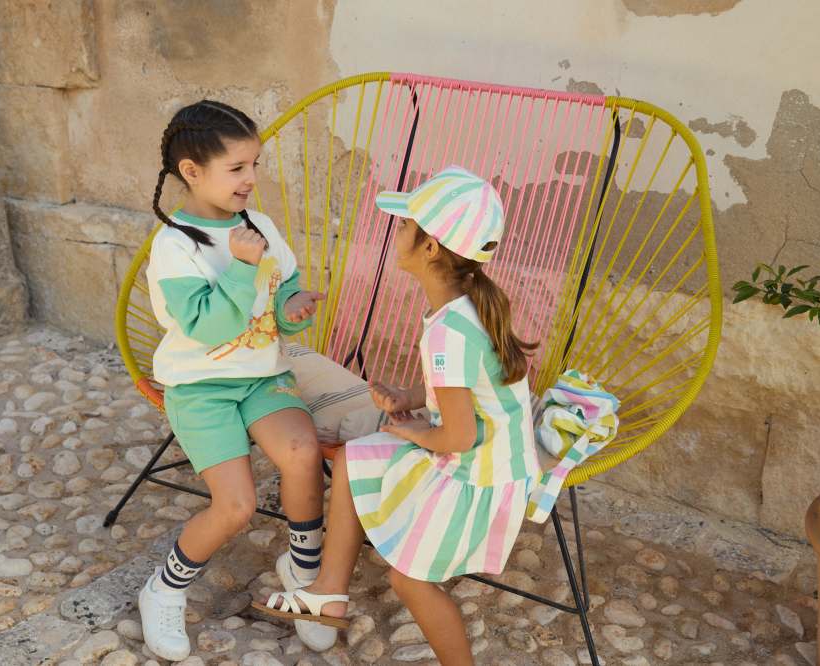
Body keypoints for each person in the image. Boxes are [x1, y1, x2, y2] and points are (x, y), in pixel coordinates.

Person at [256, 166, 540, 666]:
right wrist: (411, 398)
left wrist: (414, 430)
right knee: (355, 457)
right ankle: (328, 591)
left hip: (483, 474)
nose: (398, 232)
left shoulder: (449, 330)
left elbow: (456, 433)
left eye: (406, 224)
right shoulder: (463, 304)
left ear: (431, 248)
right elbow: (465, 390)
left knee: (408, 580)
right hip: (479, 449)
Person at [138, 100, 331, 661]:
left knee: (300, 453)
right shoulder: (175, 245)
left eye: (255, 165)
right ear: (192, 172)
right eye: (238, 168)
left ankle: (304, 572)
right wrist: (244, 268)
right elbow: (204, 325)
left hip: (261, 374)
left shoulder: (259, 225)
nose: (252, 180)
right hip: (201, 387)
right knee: (236, 506)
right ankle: (164, 590)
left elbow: (286, 281)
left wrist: (294, 305)